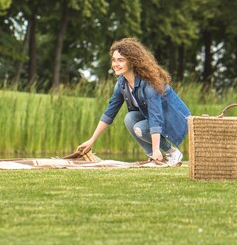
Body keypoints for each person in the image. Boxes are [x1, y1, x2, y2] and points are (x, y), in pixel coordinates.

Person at [77, 38, 190, 166]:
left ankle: (172, 152)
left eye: (120, 60)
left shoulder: (148, 83)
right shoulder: (121, 83)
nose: (115, 64)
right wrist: (92, 140)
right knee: (129, 118)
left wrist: (156, 149)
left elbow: (155, 117)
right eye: (114, 60)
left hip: (174, 118)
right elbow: (109, 113)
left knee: (139, 128)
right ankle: (152, 157)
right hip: (155, 118)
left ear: (132, 62)